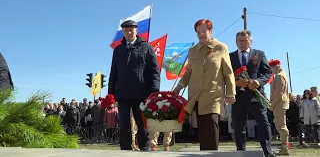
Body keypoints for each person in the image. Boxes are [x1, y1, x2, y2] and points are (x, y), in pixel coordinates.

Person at [174, 19, 236, 150]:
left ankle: (211, 153)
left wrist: (230, 93)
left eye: (204, 31)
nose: (201, 35)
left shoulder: (221, 47)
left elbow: (228, 72)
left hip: (214, 94)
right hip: (196, 95)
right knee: (202, 128)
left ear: (210, 31)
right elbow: (188, 72)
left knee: (212, 124)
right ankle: (205, 152)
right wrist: (179, 86)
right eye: (198, 32)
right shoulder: (192, 51)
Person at [108, 20, 160, 150]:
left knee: (142, 124)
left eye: (131, 30)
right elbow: (113, 72)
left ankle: (144, 148)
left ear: (137, 31)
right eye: (126, 30)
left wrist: (154, 92)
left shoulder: (146, 47)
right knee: (124, 125)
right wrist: (111, 93)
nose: (129, 32)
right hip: (122, 94)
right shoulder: (118, 50)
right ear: (123, 32)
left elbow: (154, 71)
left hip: (141, 94)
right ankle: (125, 150)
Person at [229, 30, 275, 157]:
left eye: (246, 41)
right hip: (238, 96)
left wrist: (258, 82)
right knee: (238, 124)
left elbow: (267, 73)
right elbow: (225, 76)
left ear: (251, 41)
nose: (243, 43)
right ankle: (240, 150)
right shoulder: (230, 56)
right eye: (240, 41)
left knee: (263, 122)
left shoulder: (259, 54)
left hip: (256, 95)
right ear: (236, 42)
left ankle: (268, 152)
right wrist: (235, 82)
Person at [269, 59, 290, 155]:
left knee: (281, 126)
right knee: (281, 125)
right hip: (280, 103)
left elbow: (278, 93)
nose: (271, 70)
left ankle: (285, 147)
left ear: (276, 66)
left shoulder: (279, 76)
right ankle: (284, 146)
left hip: (279, 104)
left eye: (271, 68)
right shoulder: (281, 75)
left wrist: (272, 105)